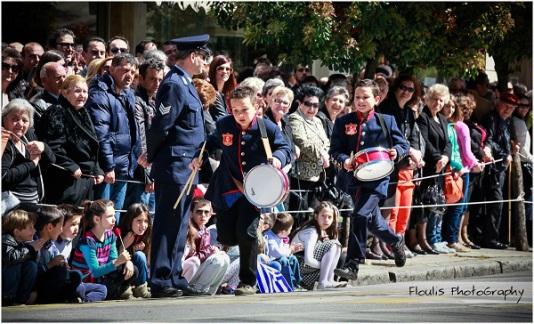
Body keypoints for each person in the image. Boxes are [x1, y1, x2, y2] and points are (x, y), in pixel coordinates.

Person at [202, 86, 291, 295]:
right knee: (227, 235)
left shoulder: (266, 128)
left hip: (254, 191)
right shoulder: (224, 124)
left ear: (257, 106)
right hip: (228, 187)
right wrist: (201, 154)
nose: (239, 115)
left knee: (247, 232)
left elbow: (285, 148)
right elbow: (210, 142)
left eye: (244, 110)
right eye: (235, 110)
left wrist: (278, 159)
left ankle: (247, 281)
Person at [146, 34, 212, 298]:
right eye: (204, 57)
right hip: (175, 163)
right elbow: (161, 127)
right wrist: (152, 157)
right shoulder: (174, 84)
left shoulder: (186, 83)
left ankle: (173, 274)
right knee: (168, 222)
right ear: (194, 56)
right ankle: (161, 279)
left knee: (181, 223)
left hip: (188, 165)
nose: (205, 63)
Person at [330, 79, 409, 280]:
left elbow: (403, 145)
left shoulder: (386, 120)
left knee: (360, 215)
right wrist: (344, 160)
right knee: (373, 222)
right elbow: (335, 150)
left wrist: (396, 152)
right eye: (357, 97)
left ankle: (353, 264)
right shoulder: (343, 121)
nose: (361, 101)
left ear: (377, 98)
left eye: (365, 97)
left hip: (377, 179)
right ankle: (395, 240)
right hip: (353, 179)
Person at [85, 53, 141, 223]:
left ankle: (111, 250)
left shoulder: (128, 94)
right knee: (101, 219)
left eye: (132, 71)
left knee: (114, 219)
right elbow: (102, 134)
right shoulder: (99, 93)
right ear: (111, 69)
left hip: (123, 167)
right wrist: (109, 166)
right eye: (124, 70)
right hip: (107, 169)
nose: (129, 75)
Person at [36, 75, 104, 205]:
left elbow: (92, 146)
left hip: (84, 180)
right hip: (65, 180)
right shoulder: (57, 111)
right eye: (77, 91)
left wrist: (97, 170)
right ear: (65, 92)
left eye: (85, 91)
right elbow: (53, 146)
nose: (82, 95)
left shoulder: (83, 113)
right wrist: (70, 166)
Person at [71, 200, 137, 300]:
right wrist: (117, 262)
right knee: (103, 290)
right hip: (86, 280)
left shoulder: (110, 236)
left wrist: (126, 262)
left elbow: (113, 262)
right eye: (110, 216)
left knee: (132, 270)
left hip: (101, 278)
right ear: (97, 219)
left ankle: (112, 293)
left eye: (114, 215)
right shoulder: (88, 241)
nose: (114, 220)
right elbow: (95, 271)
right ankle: (85, 296)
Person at [415, 84, 454, 254]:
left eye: (440, 100)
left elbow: (449, 143)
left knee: (436, 202)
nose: (437, 103)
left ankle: (433, 238)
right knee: (423, 203)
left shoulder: (443, 119)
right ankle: (422, 239)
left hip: (441, 167)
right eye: (434, 99)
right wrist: (438, 158)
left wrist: (445, 157)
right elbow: (425, 141)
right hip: (428, 166)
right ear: (428, 99)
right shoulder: (423, 118)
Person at [122, 58, 164, 212]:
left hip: (154, 169)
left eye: (160, 79)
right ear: (141, 78)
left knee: (150, 220)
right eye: (152, 79)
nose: (157, 83)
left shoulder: (157, 100)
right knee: (138, 217)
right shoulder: (136, 100)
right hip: (140, 171)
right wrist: (148, 175)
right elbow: (140, 138)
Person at [478, 93, 518, 249]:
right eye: (506, 106)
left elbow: (504, 141)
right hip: (491, 166)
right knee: (495, 202)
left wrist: (511, 150)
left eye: (512, 108)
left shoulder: (506, 121)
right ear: (499, 103)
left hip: (500, 167)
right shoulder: (491, 119)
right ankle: (490, 238)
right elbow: (488, 142)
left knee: (498, 202)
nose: (508, 110)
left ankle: (494, 236)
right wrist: (504, 154)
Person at [288, 85, 330, 224]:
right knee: (298, 217)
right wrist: (321, 154)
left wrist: (325, 153)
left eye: (315, 105)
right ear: (300, 103)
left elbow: (326, 142)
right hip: (300, 177)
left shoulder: (318, 120)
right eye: (308, 104)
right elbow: (302, 142)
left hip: (317, 177)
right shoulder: (295, 118)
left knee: (312, 217)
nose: (311, 109)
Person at [1, 99, 55, 205]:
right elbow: (4, 176)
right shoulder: (3, 143)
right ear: (4, 119)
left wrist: (44, 147)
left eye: (25, 120)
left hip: (34, 200)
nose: (20, 124)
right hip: (11, 205)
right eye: (15, 119)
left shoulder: (28, 137)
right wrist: (31, 164)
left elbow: (51, 161)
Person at [53, 204, 108, 303]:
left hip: (72, 282)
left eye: (78, 224)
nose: (76, 228)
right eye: (73, 224)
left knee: (102, 289)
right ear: (61, 224)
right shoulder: (53, 242)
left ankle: (82, 300)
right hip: (58, 282)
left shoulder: (69, 242)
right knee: (77, 280)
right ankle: (75, 296)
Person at [291, 201, 345, 290]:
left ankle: (329, 280)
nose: (326, 219)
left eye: (329, 217)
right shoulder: (311, 232)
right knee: (333, 245)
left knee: (336, 246)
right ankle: (323, 282)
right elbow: (308, 260)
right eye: (323, 216)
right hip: (298, 267)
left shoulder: (321, 231)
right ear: (316, 216)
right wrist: (326, 265)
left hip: (305, 271)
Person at [182, 199, 230, 295]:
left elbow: (203, 255)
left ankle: (209, 291)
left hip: (196, 268)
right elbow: (188, 259)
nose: (203, 215)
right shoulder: (186, 229)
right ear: (191, 213)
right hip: (184, 274)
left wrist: (212, 251)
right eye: (199, 211)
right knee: (216, 259)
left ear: (211, 214)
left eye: (206, 212)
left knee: (225, 257)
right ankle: (197, 289)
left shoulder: (205, 231)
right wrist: (211, 251)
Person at [2, 209, 41, 306]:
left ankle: (20, 299)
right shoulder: (6, 240)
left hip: (13, 286)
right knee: (15, 265)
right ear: (17, 232)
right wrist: (31, 249)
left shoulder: (22, 243)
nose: (34, 230)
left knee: (31, 265)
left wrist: (35, 252)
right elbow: (11, 257)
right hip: (5, 286)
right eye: (30, 228)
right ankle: (7, 297)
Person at [116, 203, 152, 298]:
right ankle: (124, 288)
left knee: (140, 255)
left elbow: (146, 262)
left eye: (146, 221)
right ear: (130, 220)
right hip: (121, 273)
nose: (143, 225)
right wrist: (123, 246)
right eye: (139, 221)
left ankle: (141, 289)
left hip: (138, 274)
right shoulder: (121, 233)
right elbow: (115, 259)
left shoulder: (145, 235)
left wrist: (134, 250)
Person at [263, 213, 303, 290]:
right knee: (283, 260)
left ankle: (297, 282)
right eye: (290, 229)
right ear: (283, 232)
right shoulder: (269, 237)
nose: (290, 231)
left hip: (277, 258)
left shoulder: (279, 235)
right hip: (269, 261)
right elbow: (277, 254)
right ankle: (288, 284)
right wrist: (290, 249)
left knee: (293, 259)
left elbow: (284, 250)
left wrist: (292, 250)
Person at [29, 61, 67, 128]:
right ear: (44, 80)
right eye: (58, 77)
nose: (63, 81)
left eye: (64, 76)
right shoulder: (37, 105)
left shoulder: (68, 97)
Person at [208, 55, 236, 119]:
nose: (225, 71)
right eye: (220, 68)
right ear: (213, 70)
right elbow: (222, 118)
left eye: (228, 69)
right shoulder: (210, 92)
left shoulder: (227, 94)